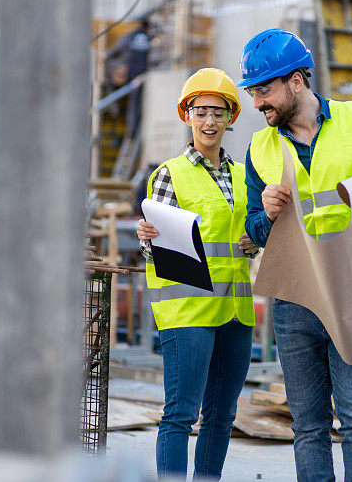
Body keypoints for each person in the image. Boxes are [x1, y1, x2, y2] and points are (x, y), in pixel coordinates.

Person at [238, 28, 352, 482]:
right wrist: (264, 214)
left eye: (264, 90)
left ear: (297, 82)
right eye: (253, 92)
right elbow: (253, 231)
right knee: (308, 426)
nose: (257, 102)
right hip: (295, 300)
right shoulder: (259, 149)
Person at [136, 67, 259, 480]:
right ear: (188, 116)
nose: (209, 121)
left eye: (218, 112)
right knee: (180, 414)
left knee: (222, 416)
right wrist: (145, 235)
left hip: (236, 312)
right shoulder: (171, 173)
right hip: (188, 314)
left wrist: (255, 241)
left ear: (231, 118)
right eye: (201, 112)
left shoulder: (245, 177)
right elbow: (154, 240)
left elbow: (252, 234)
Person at [105, 18, 150, 125]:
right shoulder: (150, 37)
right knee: (135, 104)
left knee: (109, 73)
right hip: (142, 76)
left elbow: (112, 53)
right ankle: (132, 129)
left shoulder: (128, 37)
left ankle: (113, 103)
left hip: (128, 73)